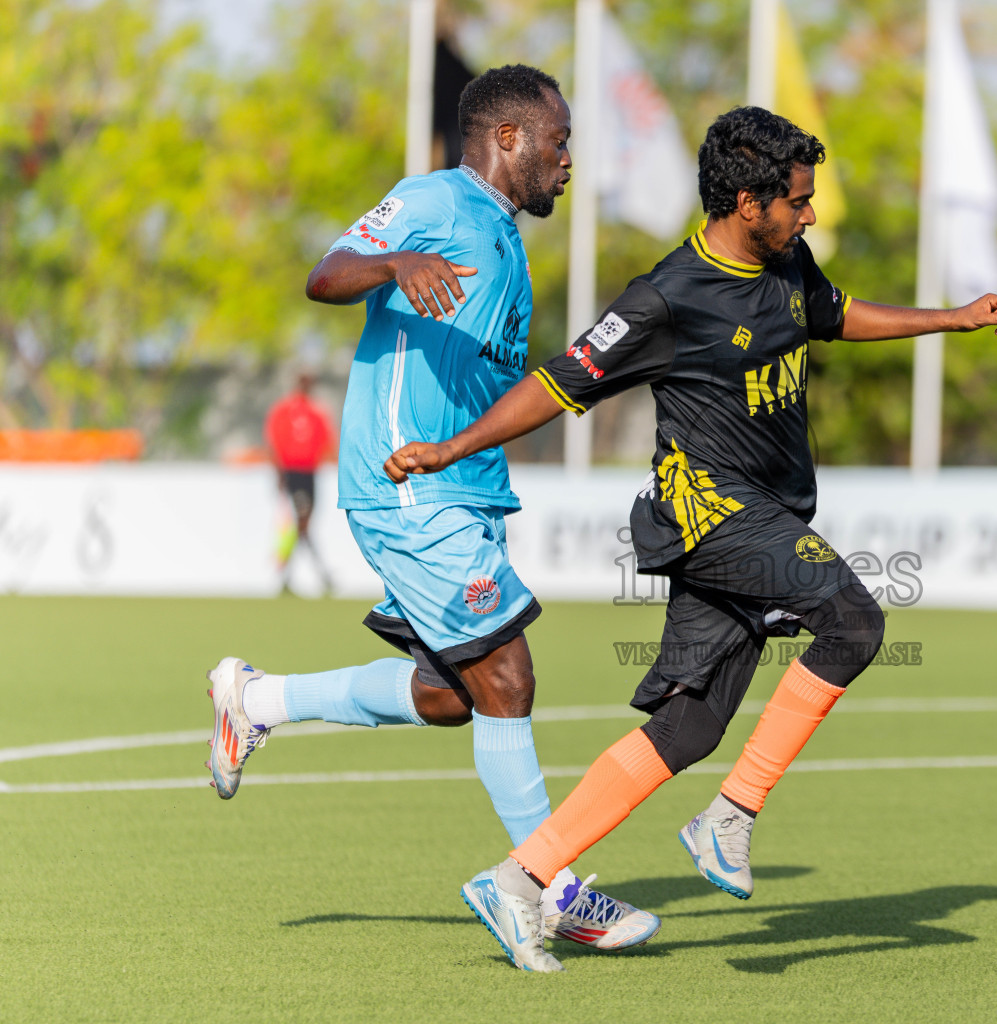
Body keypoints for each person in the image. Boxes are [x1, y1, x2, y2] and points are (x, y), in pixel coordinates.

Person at [384, 106, 997, 970]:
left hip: (769, 511)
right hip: (709, 511)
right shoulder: (666, 298)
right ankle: (732, 816)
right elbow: (561, 383)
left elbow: (833, 316)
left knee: (689, 728)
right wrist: (452, 448)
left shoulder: (788, 258)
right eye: (798, 201)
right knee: (855, 623)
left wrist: (953, 318)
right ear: (749, 201)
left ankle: (522, 878)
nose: (811, 214)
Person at [204, 64, 658, 973]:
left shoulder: (502, 236)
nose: (568, 161)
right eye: (557, 143)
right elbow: (326, 276)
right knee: (510, 678)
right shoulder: (436, 202)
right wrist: (395, 263)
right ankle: (548, 888)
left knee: (457, 695)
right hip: (408, 484)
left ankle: (255, 701)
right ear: (506, 139)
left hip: (463, 493)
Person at [265, 371, 336, 594]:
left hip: (309, 473)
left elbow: (327, 442)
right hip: (292, 472)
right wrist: (279, 473)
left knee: (303, 524)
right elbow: (275, 441)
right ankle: (320, 573)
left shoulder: (317, 411)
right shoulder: (284, 410)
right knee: (302, 520)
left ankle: (287, 577)